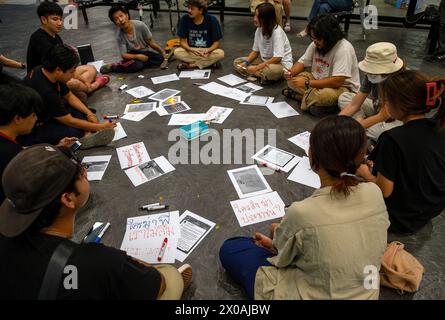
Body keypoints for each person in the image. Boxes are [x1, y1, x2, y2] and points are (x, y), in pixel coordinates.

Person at [220, 115, 389, 300]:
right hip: (367, 292)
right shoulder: (374, 192)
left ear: (311, 156)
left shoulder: (302, 212)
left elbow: (284, 257)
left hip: (315, 292)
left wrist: (277, 239)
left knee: (232, 248)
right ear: (361, 158)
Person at [0, 144, 193, 299]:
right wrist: (131, 263)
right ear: (68, 199)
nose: (85, 173)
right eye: (82, 173)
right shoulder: (98, 262)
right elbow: (157, 284)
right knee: (170, 277)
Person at [357, 70, 445, 234]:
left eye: (387, 100)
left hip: (399, 220)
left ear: (401, 105)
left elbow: (384, 191)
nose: (385, 105)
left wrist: (365, 174)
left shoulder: (392, 139)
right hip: (429, 211)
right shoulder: (439, 128)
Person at [21, 44, 116, 148]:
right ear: (58, 70)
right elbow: (70, 121)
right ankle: (84, 135)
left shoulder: (46, 71)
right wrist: (100, 127)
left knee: (82, 108)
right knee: (75, 130)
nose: (73, 75)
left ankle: (87, 133)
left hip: (49, 112)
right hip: (33, 127)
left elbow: (69, 96)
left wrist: (89, 114)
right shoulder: (46, 91)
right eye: (71, 72)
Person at [0, 83, 77, 203]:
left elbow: (24, 150)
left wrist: (56, 148)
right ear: (18, 119)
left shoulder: (7, 140)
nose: (36, 119)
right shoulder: (11, 154)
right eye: (33, 115)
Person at [282, 14, 359, 116]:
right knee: (293, 81)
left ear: (329, 36)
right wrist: (290, 73)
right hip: (317, 81)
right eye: (312, 38)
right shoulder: (315, 43)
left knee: (324, 95)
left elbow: (337, 81)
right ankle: (314, 102)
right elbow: (302, 62)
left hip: (342, 88)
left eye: (317, 39)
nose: (314, 42)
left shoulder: (344, 49)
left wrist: (307, 83)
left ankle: (300, 98)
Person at [26, 1, 109, 96]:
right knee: (73, 83)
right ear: (44, 20)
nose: (60, 23)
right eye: (55, 19)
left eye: (60, 19)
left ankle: (82, 88)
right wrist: (82, 80)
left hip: (62, 72)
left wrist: (81, 79)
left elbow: (66, 67)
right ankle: (92, 87)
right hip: (47, 79)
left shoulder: (55, 36)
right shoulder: (38, 39)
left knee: (91, 69)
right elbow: (59, 69)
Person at [338, 42, 404, 142]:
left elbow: (384, 115)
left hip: (397, 119)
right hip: (377, 109)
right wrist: (334, 124)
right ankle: (361, 126)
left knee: (381, 133)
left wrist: (353, 128)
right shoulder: (371, 75)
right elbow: (354, 104)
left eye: (373, 71)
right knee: (345, 97)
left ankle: (359, 128)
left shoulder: (401, 80)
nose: (369, 74)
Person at [234, 2, 293, 84]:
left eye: (257, 16)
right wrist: (246, 62)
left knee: (270, 71)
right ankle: (261, 74)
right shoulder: (259, 29)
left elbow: (277, 58)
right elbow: (255, 52)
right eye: (254, 15)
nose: (254, 19)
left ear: (266, 19)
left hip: (280, 64)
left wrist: (257, 67)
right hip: (264, 62)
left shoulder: (277, 32)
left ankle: (259, 73)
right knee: (238, 62)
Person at [100, 6, 169, 74]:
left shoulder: (140, 25)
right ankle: (114, 66)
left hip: (144, 52)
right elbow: (124, 54)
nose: (120, 20)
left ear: (127, 15)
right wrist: (137, 57)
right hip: (131, 54)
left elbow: (150, 42)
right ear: (115, 23)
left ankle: (131, 64)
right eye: (116, 19)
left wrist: (162, 52)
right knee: (138, 65)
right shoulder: (119, 35)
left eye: (121, 16)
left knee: (160, 59)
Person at [174, 0, 225, 70]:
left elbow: (217, 43)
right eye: (188, 8)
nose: (189, 10)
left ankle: (192, 65)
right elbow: (182, 42)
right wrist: (191, 50)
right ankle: (207, 63)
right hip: (192, 50)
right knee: (177, 52)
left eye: (192, 9)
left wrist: (208, 51)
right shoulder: (185, 19)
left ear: (200, 10)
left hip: (207, 51)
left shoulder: (212, 20)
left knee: (220, 53)